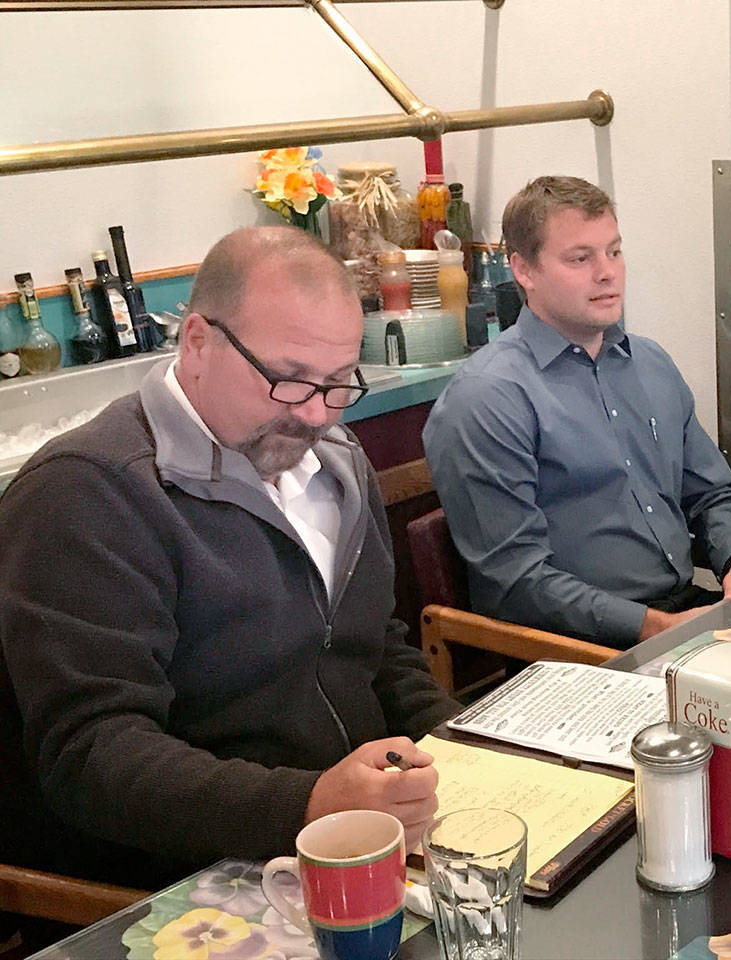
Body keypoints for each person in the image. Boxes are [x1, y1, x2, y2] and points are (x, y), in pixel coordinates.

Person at [0, 227, 459, 890]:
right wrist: (308, 806)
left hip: (360, 839)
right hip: (185, 879)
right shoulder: (90, 493)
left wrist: (461, 747)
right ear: (197, 343)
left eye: (336, 382)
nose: (313, 415)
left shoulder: (335, 459)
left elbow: (374, 649)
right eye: (287, 378)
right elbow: (92, 756)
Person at [424, 176, 731, 649]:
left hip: (682, 611)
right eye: (580, 259)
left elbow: (714, 495)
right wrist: (651, 627)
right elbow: (516, 582)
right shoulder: (488, 397)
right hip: (572, 647)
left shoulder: (650, 363)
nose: (607, 273)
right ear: (523, 270)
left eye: (615, 252)